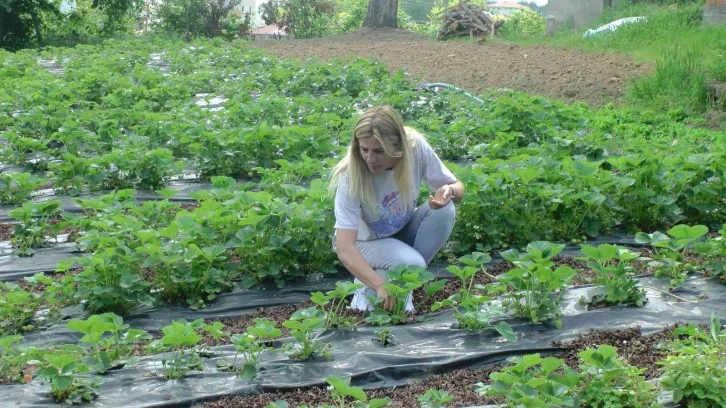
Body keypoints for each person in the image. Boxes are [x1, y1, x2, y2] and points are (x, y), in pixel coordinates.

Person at [328, 105, 465, 312]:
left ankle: (400, 281)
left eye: (379, 151)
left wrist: (448, 191)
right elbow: (345, 247)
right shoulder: (351, 176)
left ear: (398, 147)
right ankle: (372, 284)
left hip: (400, 233)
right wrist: (379, 285)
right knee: (408, 266)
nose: (370, 159)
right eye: (364, 150)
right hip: (363, 245)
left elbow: (458, 187)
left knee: (445, 211)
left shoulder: (415, 148)